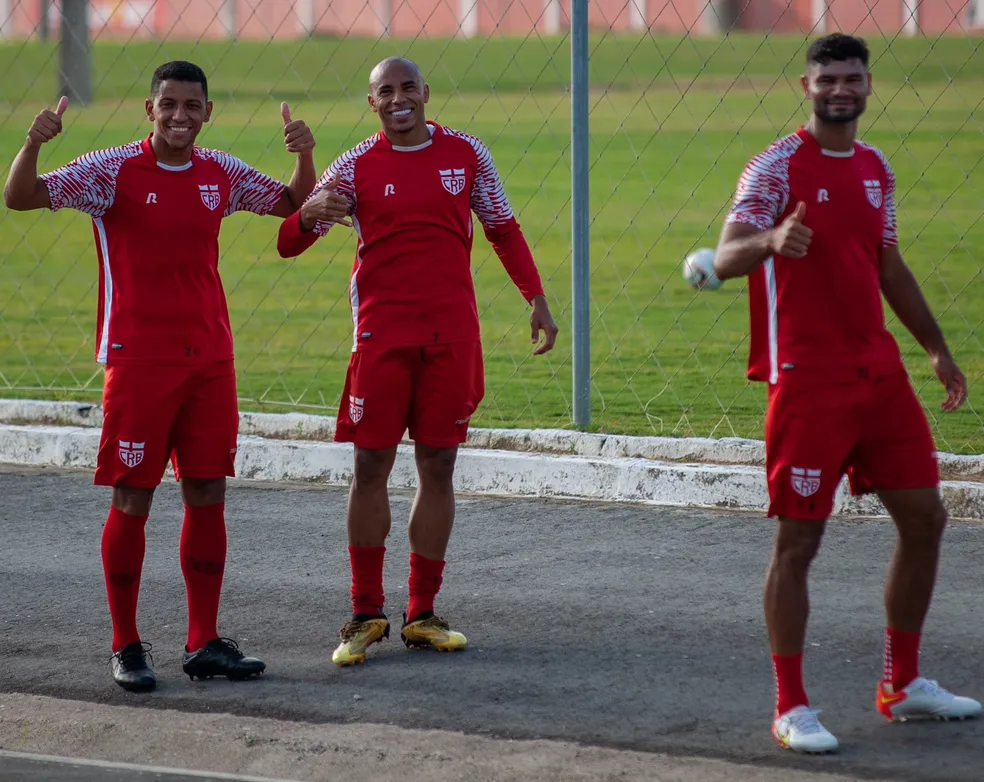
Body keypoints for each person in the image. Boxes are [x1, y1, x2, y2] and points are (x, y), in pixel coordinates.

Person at [3, 61, 348, 692]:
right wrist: (33, 143)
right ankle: (126, 644)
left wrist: (304, 155)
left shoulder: (220, 172)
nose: (180, 116)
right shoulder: (110, 170)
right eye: (168, 104)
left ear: (208, 113)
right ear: (150, 109)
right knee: (132, 497)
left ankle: (203, 642)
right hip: (138, 362)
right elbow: (19, 196)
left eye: (192, 106)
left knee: (207, 492)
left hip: (211, 361)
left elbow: (292, 204)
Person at [713, 33, 981, 754]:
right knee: (799, 541)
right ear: (805, 87)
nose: (840, 89)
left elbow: (887, 263)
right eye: (827, 78)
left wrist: (935, 348)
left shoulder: (874, 167)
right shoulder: (775, 166)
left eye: (852, 78)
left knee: (925, 519)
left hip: (879, 375)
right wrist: (770, 242)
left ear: (868, 86)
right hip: (808, 380)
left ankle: (902, 682)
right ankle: (791, 705)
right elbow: (725, 255)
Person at [277, 57, 558, 667]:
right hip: (381, 339)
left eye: (408, 87)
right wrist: (306, 213)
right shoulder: (355, 165)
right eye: (386, 91)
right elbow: (289, 243)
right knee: (370, 465)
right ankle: (364, 613)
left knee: (438, 464)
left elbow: (503, 229)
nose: (398, 98)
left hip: (452, 338)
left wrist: (535, 298)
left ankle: (422, 613)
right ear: (372, 103)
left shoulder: (468, 154)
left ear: (426, 92)